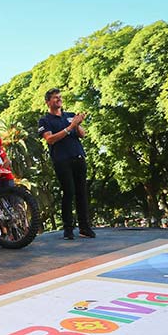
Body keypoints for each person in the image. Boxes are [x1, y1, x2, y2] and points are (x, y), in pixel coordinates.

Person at [38, 88, 96, 240]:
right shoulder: (45, 120)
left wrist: (77, 124)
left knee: (82, 192)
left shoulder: (70, 116)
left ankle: (84, 227)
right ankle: (68, 229)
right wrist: (69, 127)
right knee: (69, 192)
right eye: (55, 97)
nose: (59, 99)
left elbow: (82, 134)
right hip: (62, 160)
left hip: (78, 156)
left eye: (60, 97)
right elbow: (50, 139)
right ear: (48, 102)